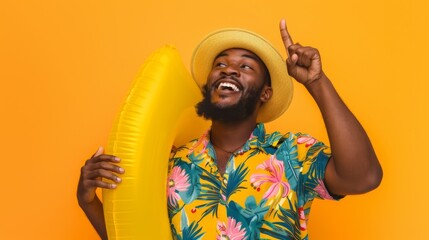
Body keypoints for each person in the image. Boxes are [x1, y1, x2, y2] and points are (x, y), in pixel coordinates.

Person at [77, 20, 382, 240]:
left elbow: (364, 177)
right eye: (220, 64)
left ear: (265, 93)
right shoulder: (172, 164)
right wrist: (89, 202)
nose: (229, 69)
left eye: (246, 66)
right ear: (208, 85)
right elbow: (137, 235)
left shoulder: (292, 153)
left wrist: (317, 82)